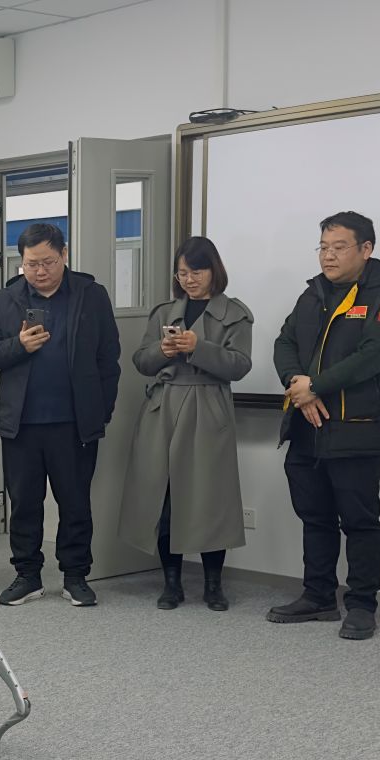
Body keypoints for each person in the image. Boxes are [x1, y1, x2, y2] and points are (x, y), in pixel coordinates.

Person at [270, 211, 380, 641]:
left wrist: (314, 386)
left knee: (360, 520)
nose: (328, 256)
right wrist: (297, 385)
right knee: (314, 516)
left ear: (366, 249)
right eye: (323, 247)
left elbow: (374, 356)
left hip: (358, 427)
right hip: (307, 426)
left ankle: (361, 605)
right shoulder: (313, 293)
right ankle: (318, 596)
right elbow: (284, 342)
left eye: (338, 247)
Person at [0, 221, 120, 608]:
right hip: (21, 423)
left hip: (74, 422)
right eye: (31, 264)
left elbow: (109, 359)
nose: (39, 271)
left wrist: (101, 411)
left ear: (64, 255)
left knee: (75, 502)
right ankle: (27, 575)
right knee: (24, 503)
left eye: (48, 262)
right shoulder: (7, 299)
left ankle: (75, 576)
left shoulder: (90, 295)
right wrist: (19, 345)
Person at [120, 237, 253, 612]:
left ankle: (213, 586)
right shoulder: (164, 312)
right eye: (182, 272)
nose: (189, 279)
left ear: (214, 271)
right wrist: (161, 351)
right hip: (163, 407)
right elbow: (141, 361)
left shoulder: (235, 314)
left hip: (208, 408)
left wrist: (198, 348)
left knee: (212, 499)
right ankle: (171, 583)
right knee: (162, 497)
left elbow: (240, 365)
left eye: (196, 271)